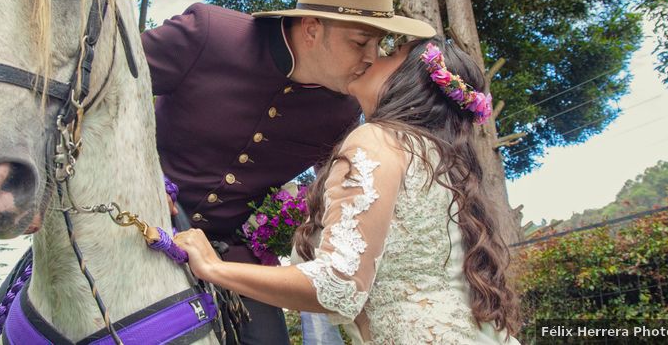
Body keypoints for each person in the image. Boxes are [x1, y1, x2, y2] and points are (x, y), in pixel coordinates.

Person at [0, 0, 436, 344]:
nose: (372, 58)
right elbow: (98, 92)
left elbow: (340, 202)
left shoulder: (340, 115)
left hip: (226, 255)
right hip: (123, 220)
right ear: (312, 28)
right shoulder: (209, 34)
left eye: (379, 44)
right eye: (360, 42)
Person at [173, 37, 522, 344]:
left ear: (409, 81)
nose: (374, 56)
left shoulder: (377, 139)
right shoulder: (443, 162)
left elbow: (339, 286)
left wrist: (214, 268)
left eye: (391, 53)